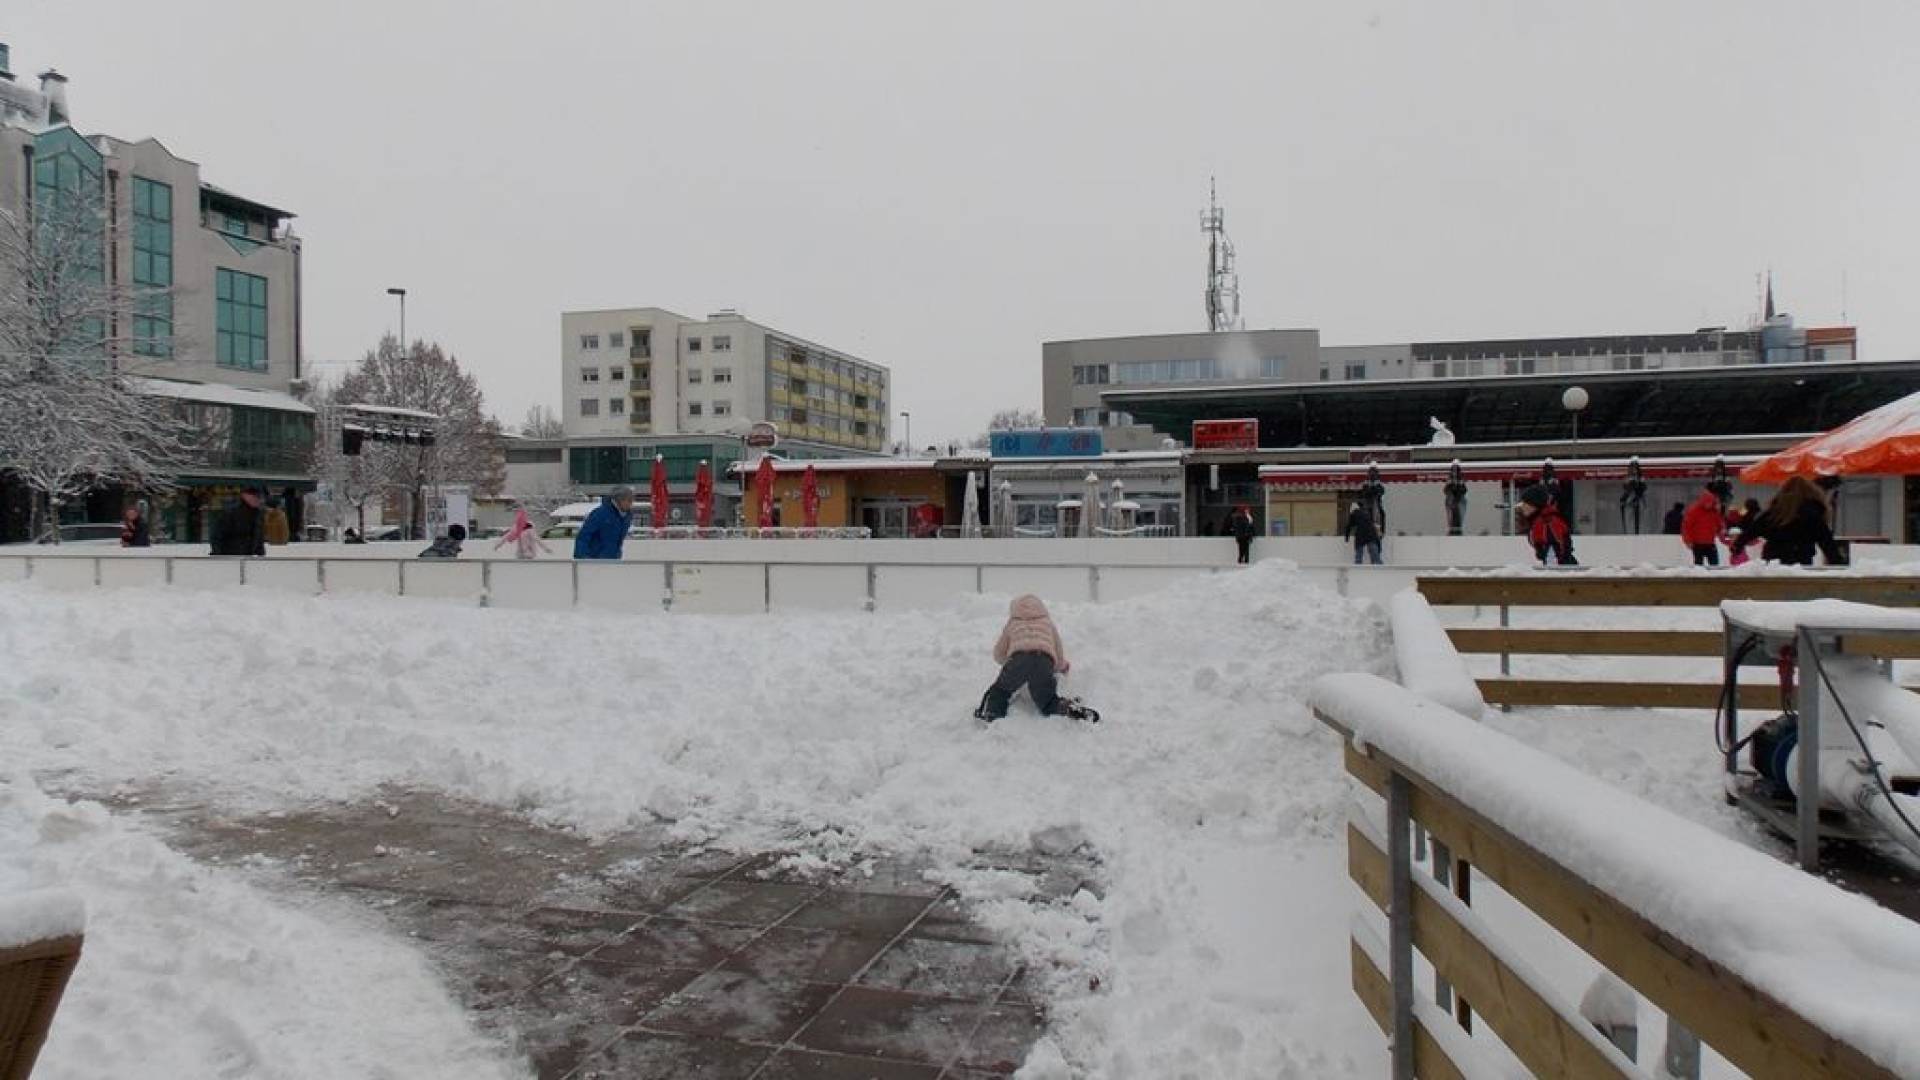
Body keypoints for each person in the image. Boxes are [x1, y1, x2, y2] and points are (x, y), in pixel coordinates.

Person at [973, 595, 1097, 722]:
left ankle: (993, 718)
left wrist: (1009, 664)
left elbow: (998, 653)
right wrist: (1061, 666)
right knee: (1048, 700)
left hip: (1019, 659)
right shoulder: (1047, 623)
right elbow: (1058, 650)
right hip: (1044, 660)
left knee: (1000, 691)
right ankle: (1068, 708)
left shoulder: (1012, 623)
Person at [1748, 476, 1844, 566]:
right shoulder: (1813, 514)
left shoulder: (1774, 512)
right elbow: (1827, 543)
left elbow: (1752, 531)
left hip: (1773, 563)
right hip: (1801, 562)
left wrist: (1737, 546)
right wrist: (1838, 563)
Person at [1516, 484, 1576, 565]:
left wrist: (1550, 573)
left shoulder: (1546, 522)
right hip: (1561, 567)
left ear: (1535, 504)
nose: (1522, 507)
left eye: (1525, 503)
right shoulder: (1540, 520)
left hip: (1560, 570)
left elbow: (1553, 552)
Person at [574, 485, 635, 559]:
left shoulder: (627, 516)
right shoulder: (600, 513)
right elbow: (583, 536)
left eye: (631, 500)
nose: (630, 503)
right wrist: (582, 557)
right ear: (618, 500)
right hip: (594, 560)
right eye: (628, 500)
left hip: (613, 560)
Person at [210, 487, 267, 557]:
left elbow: (258, 537)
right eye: (256, 496)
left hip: (248, 559)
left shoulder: (258, 515)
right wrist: (218, 555)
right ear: (245, 496)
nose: (259, 500)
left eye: (260, 497)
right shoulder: (230, 513)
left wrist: (260, 554)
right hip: (230, 558)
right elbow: (216, 536)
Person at [1679, 487, 1723, 566]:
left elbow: (1719, 524)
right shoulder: (1693, 511)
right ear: (1703, 502)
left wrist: (1721, 531)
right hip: (1697, 543)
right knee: (1699, 566)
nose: (1708, 505)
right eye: (1707, 503)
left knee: (1715, 565)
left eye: (1710, 503)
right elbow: (1685, 527)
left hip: (1710, 542)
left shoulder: (1714, 512)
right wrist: (1688, 541)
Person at [1726, 497, 1764, 565]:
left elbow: (1741, 521)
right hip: (1753, 537)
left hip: (1747, 536)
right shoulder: (1758, 514)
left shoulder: (1747, 513)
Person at [1343, 500, 1382, 565]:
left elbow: (1349, 526)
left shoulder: (1354, 514)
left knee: (1359, 552)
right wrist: (1379, 543)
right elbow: (1373, 526)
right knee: (1374, 553)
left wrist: (1347, 537)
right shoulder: (1366, 513)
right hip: (1371, 533)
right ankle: (1378, 565)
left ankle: (1358, 565)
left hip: (1361, 534)